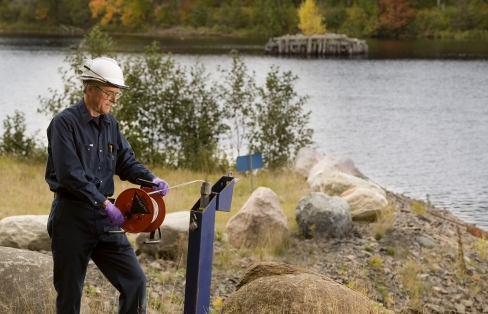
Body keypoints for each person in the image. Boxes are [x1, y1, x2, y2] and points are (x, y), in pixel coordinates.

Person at [45, 56, 169, 314]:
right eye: (109, 93)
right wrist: (103, 202)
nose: (114, 100)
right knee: (70, 295)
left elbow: (126, 163)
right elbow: (71, 175)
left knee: (135, 281)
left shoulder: (110, 124)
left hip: (105, 220)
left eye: (116, 94)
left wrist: (151, 180)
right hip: (72, 218)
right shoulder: (64, 124)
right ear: (90, 89)